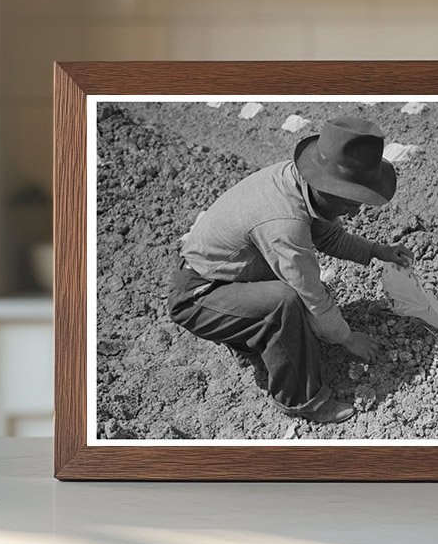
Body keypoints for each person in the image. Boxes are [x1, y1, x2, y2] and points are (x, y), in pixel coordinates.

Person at [167, 116, 414, 424]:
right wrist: (348, 337)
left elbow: (327, 235)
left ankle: (251, 340)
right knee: (284, 303)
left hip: (227, 276)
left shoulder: (298, 183)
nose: (354, 211)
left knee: (302, 301)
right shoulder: (284, 222)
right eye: (352, 201)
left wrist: (377, 251)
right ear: (328, 186)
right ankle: (303, 400)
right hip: (198, 297)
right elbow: (309, 291)